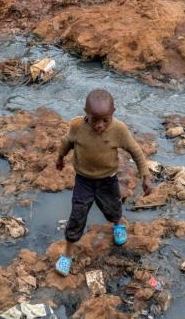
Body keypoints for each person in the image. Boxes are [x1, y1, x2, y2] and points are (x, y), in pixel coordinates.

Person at [54, 89, 152, 276]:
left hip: (108, 179)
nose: (100, 125)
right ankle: (67, 254)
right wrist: (60, 157)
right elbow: (66, 142)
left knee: (113, 207)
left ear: (113, 113)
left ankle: (117, 225)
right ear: (86, 113)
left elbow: (136, 151)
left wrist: (145, 175)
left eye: (105, 120)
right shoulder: (77, 126)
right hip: (83, 180)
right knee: (77, 214)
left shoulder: (118, 129)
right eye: (94, 120)